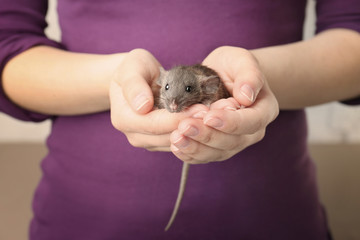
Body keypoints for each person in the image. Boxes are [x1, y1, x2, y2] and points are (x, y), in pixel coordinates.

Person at [0, 0, 359, 239]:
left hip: (272, 219)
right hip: (82, 222)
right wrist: (116, 78)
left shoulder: (205, 87)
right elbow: (7, 42)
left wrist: (257, 78)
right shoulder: (169, 85)